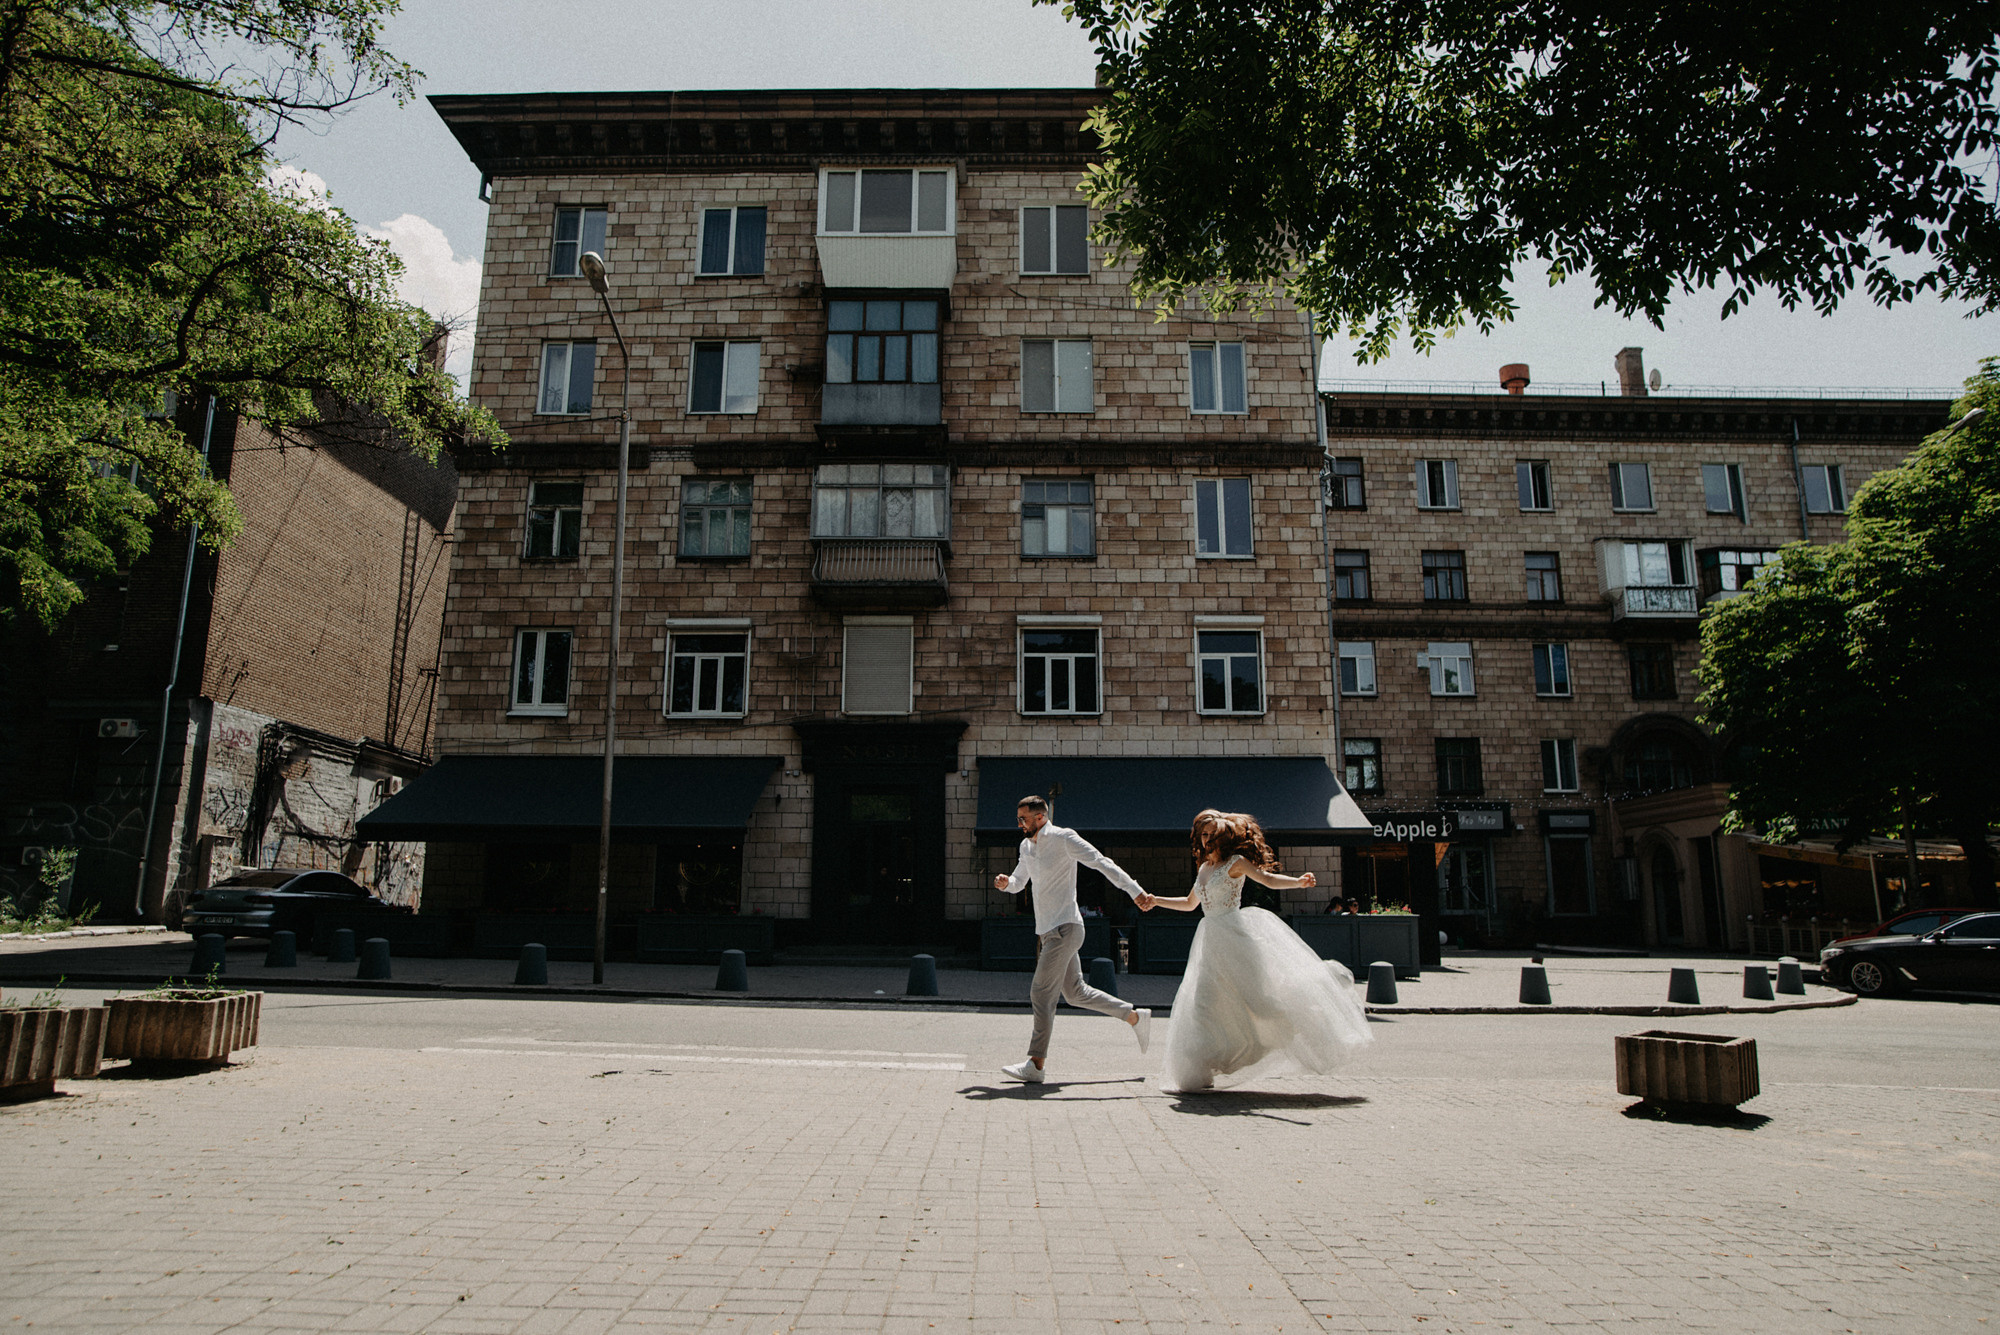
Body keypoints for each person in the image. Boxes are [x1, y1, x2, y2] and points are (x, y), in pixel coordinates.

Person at [1146, 808, 1373, 1092]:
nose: (1207, 840)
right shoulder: (1204, 868)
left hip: (1235, 938)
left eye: (1212, 834)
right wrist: (1156, 901)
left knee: (1261, 1004)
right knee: (1203, 1003)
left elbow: (1267, 879)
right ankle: (1200, 1069)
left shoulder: (1236, 862)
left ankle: (1307, 1009)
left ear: (1223, 836)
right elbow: (1191, 903)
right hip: (1209, 941)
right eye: (1203, 835)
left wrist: (1298, 882)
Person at [993, 795, 1153, 1083]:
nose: (1019, 824)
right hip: (1048, 932)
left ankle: (1036, 1063)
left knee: (1041, 992)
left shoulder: (1064, 838)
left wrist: (1135, 891)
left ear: (1040, 817)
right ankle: (1135, 1017)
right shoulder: (1026, 846)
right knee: (1076, 992)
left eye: (1023, 819)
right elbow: (1019, 882)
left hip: (1065, 929)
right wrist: (1007, 884)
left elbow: (1102, 863)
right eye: (1018, 819)